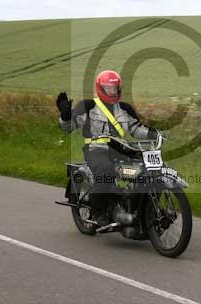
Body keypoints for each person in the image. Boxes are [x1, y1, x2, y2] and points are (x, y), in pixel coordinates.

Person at [56, 70, 159, 225]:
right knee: (107, 172)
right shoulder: (88, 106)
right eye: (108, 88)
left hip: (121, 149)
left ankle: (140, 210)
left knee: (148, 172)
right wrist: (65, 115)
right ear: (100, 88)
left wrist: (154, 134)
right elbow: (69, 127)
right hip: (96, 149)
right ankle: (98, 212)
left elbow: (136, 128)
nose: (112, 91)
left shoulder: (125, 108)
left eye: (115, 88)